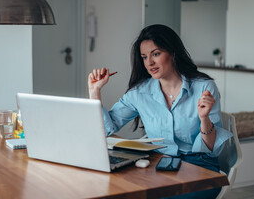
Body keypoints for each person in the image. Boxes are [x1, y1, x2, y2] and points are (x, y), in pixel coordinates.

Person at [88, 24, 233, 199]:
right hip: (158, 163)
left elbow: (210, 148)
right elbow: (107, 129)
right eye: (144, 57)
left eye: (156, 54)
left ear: (172, 53)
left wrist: (204, 118)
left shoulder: (204, 87)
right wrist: (95, 92)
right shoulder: (139, 92)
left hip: (199, 166)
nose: (149, 63)